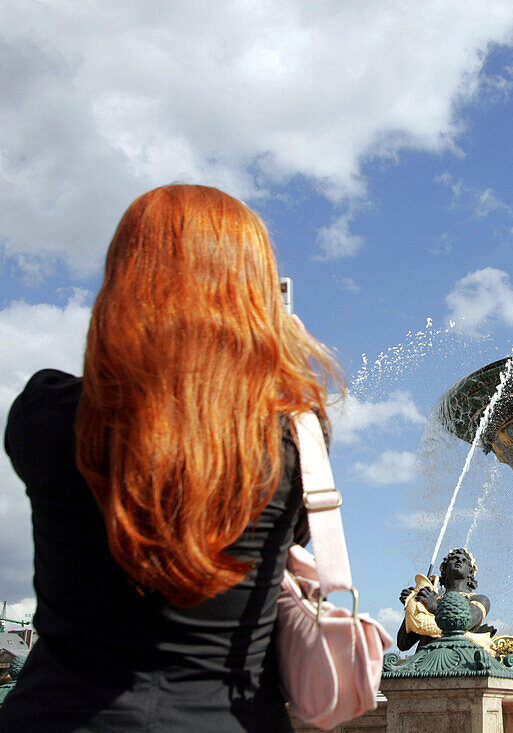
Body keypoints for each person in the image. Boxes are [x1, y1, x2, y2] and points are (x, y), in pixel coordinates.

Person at [0, 185, 341, 732]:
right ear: (255, 295)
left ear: (125, 279)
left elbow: (121, 415)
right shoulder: (296, 435)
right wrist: (280, 359)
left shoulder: (45, 413)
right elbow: (288, 543)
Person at [397, 547, 494, 651]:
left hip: (459, 661)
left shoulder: (480, 599)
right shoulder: (430, 597)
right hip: (424, 662)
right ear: (444, 569)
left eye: (464, 561)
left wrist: (435, 606)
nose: (459, 560)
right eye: (454, 559)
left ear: (470, 572)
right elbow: (403, 644)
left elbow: (465, 622)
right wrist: (412, 605)